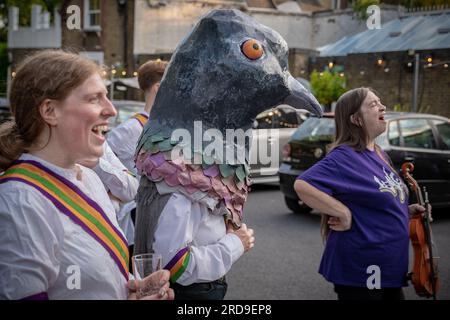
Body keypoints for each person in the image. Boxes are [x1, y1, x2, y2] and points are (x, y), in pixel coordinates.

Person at [0, 50, 173, 300]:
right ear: (50, 111)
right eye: (94, 99)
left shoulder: (89, 178)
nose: (111, 110)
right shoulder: (19, 201)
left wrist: (131, 290)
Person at [294, 87, 427, 300]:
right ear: (356, 119)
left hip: (388, 268)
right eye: (373, 104)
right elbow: (302, 185)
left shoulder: (379, 153)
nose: (382, 106)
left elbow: (376, 198)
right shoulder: (344, 156)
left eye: (380, 101)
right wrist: (343, 213)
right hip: (364, 269)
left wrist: (406, 210)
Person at [107, 60, 169, 259]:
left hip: (164, 216)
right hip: (138, 217)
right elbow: (97, 159)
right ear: (158, 88)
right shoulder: (130, 129)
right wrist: (114, 195)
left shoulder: (167, 126)